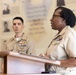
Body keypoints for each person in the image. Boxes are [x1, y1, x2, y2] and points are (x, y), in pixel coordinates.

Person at [41, 7, 76, 75]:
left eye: (54, 16)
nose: (51, 19)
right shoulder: (60, 35)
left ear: (64, 19)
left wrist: (52, 61)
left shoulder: (69, 34)